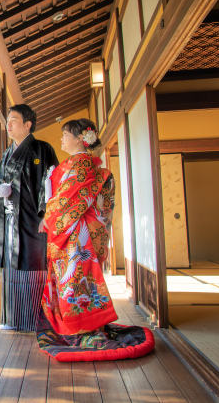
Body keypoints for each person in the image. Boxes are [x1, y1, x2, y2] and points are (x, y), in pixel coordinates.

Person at [36, 119, 154, 361]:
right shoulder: (82, 165)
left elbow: (66, 201)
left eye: (65, 134)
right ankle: (82, 326)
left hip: (74, 235)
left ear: (80, 138)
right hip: (79, 232)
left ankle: (82, 330)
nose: (62, 139)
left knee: (76, 282)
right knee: (77, 282)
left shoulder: (82, 166)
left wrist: (48, 217)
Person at [0, 104, 58, 331]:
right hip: (9, 220)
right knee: (10, 265)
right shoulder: (8, 152)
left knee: (32, 264)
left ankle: (36, 320)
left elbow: (52, 182)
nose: (9, 124)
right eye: (8, 120)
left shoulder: (42, 149)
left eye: (14, 120)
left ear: (28, 124)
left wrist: (47, 213)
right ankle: (13, 319)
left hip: (32, 221)